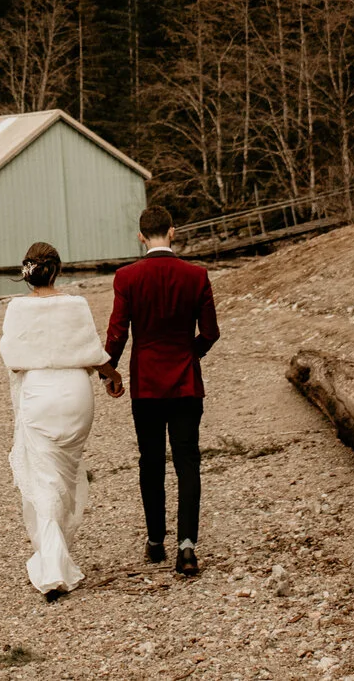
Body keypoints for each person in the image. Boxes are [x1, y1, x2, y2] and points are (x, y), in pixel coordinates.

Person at [100, 204, 218, 577]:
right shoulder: (196, 276)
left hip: (146, 385)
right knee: (187, 463)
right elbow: (211, 332)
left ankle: (155, 542)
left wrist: (109, 372)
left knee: (150, 463)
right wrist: (189, 354)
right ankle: (187, 548)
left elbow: (118, 332)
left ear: (140, 236)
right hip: (186, 382)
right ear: (172, 231)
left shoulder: (127, 277)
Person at [0, 240, 117, 601]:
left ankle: (52, 566)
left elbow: (14, 361)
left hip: (40, 395)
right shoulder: (76, 304)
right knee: (64, 473)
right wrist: (114, 375)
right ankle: (57, 552)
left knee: (46, 478)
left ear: (27, 273)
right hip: (77, 395)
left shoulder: (17, 308)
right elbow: (93, 353)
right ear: (58, 269)